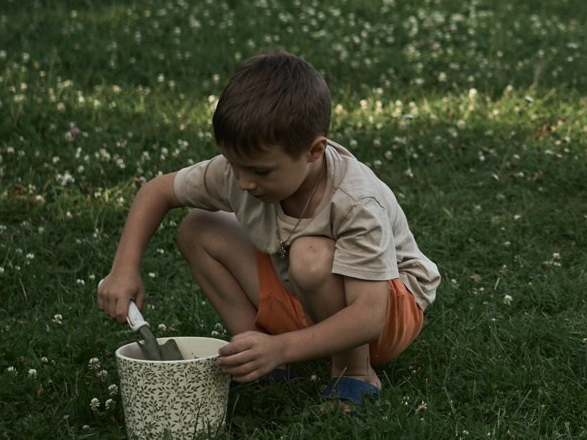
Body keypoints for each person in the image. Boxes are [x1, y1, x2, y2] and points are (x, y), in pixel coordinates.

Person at [97, 50, 439, 412]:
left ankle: (353, 374)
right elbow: (157, 191)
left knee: (309, 256)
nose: (243, 183)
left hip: (386, 313)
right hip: (305, 292)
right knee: (197, 227)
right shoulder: (243, 171)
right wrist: (124, 269)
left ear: (314, 151)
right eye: (234, 164)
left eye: (260, 172)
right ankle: (259, 351)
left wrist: (285, 346)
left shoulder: (354, 200)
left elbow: (369, 317)